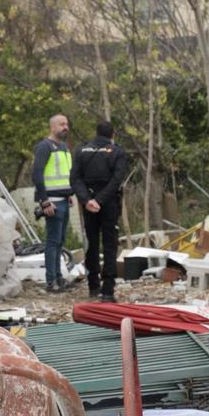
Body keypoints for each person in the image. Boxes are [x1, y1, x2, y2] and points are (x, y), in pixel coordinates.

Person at [72, 121, 128, 300]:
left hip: (89, 204)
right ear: (113, 135)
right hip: (108, 202)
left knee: (92, 243)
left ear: (96, 134)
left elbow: (74, 179)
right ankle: (108, 289)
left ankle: (93, 285)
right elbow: (116, 180)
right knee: (110, 244)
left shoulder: (81, 151)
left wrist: (87, 200)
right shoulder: (117, 152)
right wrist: (100, 200)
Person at [30, 113, 74, 291]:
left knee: (60, 241)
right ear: (52, 127)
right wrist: (45, 201)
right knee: (53, 241)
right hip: (53, 201)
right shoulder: (44, 147)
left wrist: (69, 193)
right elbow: (37, 174)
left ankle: (58, 277)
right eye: (61, 124)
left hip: (64, 199)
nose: (65, 127)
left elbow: (66, 174)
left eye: (66, 124)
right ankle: (51, 281)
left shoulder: (63, 147)